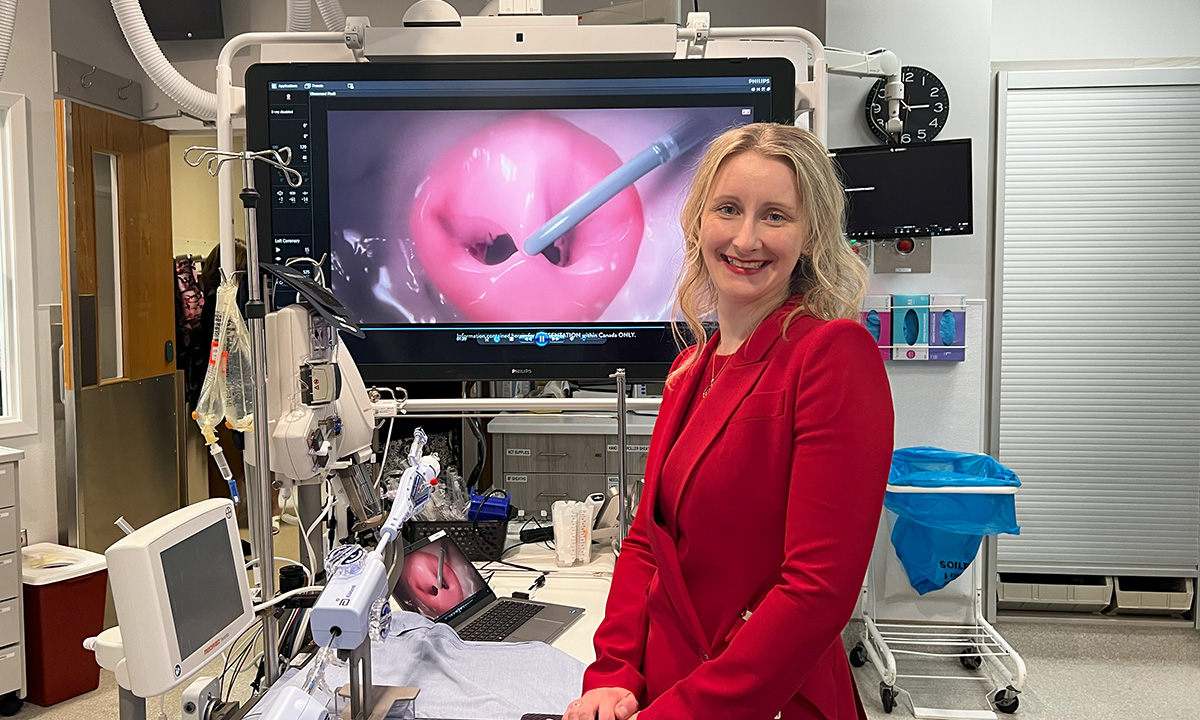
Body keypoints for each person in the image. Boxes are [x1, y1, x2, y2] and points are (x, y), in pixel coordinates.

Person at [565, 123, 894, 720]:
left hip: (760, 699)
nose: (746, 238)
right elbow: (645, 542)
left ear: (810, 236)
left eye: (775, 216)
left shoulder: (831, 356)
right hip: (656, 691)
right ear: (698, 221)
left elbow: (817, 592)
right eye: (729, 209)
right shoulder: (691, 368)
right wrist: (612, 674)